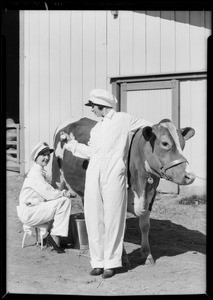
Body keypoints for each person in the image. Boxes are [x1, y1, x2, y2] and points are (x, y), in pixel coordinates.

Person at [61, 89, 153, 277]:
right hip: (94, 172)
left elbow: (149, 125)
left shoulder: (124, 119)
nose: (92, 110)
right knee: (94, 216)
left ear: (101, 106)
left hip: (114, 173)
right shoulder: (96, 128)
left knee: (114, 217)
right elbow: (92, 153)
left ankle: (111, 263)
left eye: (93, 107)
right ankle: (98, 261)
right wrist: (72, 144)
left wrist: (166, 130)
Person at [17, 141, 75, 253]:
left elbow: (48, 193)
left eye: (48, 154)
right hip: (29, 212)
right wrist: (65, 193)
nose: (46, 157)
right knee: (65, 201)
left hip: (32, 208)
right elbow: (48, 193)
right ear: (36, 157)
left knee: (61, 201)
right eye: (43, 154)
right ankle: (54, 237)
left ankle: (53, 235)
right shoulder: (35, 173)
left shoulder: (38, 171)